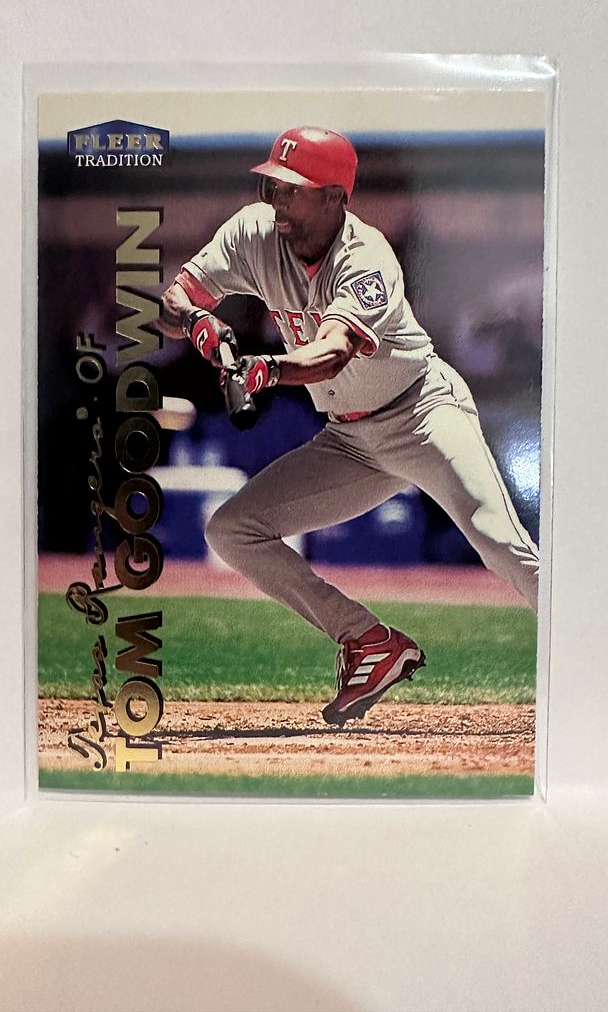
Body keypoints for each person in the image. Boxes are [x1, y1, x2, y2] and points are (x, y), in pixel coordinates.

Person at [160, 126, 539, 728]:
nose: (278, 201)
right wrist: (197, 323)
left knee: (498, 541)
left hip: (421, 413)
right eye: (273, 186)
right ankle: (367, 641)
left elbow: (332, 353)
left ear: (336, 197)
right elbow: (173, 300)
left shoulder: (366, 258)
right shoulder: (253, 232)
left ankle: (585, 648)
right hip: (350, 440)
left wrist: (265, 369)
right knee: (233, 530)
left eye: (294, 190)